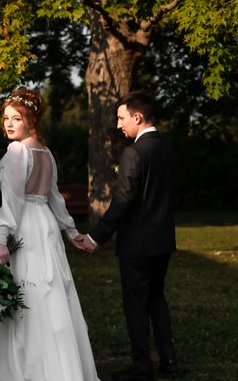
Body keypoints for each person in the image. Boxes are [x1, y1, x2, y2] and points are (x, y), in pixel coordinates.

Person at [0, 87, 100, 381]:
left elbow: (13, 198)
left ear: (32, 120)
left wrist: (0, 237)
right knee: (48, 295)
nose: (9, 124)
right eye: (6, 118)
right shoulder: (46, 152)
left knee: (29, 296)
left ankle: (33, 370)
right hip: (46, 225)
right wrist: (69, 230)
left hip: (25, 225)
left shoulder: (17, 150)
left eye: (17, 118)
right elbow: (54, 198)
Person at [77, 91, 178, 381]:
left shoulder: (134, 152)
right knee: (156, 298)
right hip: (163, 240)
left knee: (135, 304)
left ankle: (142, 367)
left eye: (121, 118)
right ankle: (168, 359)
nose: (118, 124)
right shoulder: (168, 150)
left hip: (137, 245)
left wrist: (96, 237)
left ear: (138, 117)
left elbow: (123, 201)